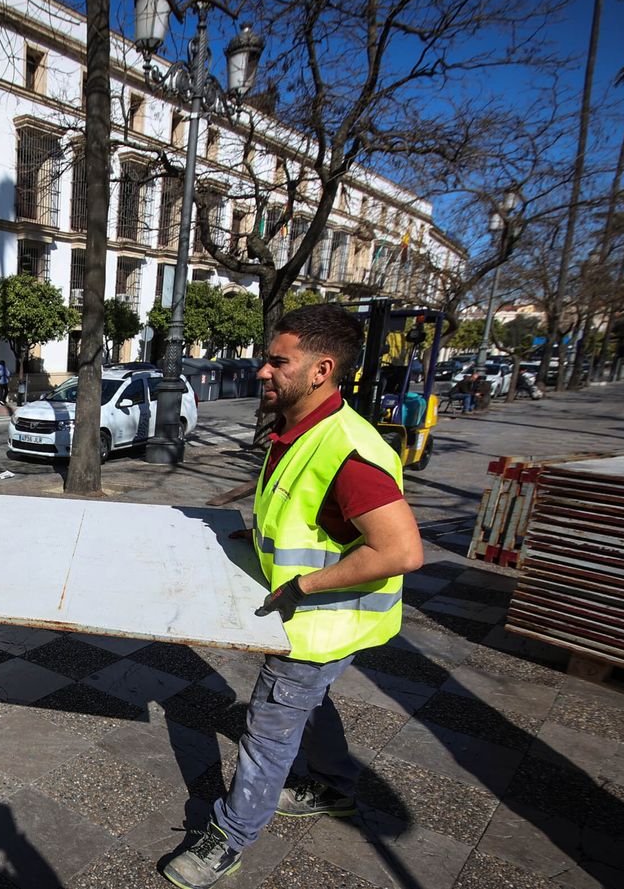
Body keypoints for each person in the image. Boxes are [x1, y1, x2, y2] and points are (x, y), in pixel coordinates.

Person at [161, 305, 423, 889]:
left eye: (279, 361)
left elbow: (401, 552)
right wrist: (252, 535)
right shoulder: (300, 428)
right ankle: (334, 788)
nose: (263, 371)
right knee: (311, 703)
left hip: (318, 623)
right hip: (332, 626)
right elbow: (303, 516)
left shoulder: (350, 453)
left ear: (321, 369)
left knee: (270, 728)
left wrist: (302, 585)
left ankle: (228, 838)